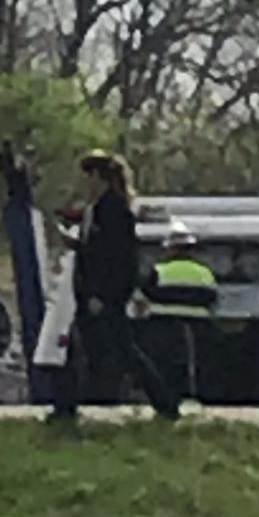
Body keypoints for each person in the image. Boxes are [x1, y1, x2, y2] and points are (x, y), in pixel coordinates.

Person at [47, 151, 179, 426]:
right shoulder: (96, 209)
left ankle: (164, 402)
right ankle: (65, 406)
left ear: (99, 177)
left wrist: (102, 295)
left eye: (89, 177)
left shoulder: (114, 211)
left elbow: (116, 257)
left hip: (103, 296)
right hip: (90, 295)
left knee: (120, 351)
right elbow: (93, 249)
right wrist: (73, 243)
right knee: (85, 349)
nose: (86, 184)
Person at [143, 223, 219, 406]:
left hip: (163, 323)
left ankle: (167, 400)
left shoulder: (159, 271)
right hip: (198, 325)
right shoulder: (204, 272)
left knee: (164, 365)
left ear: (169, 249)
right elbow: (212, 297)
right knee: (195, 364)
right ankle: (192, 399)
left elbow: (147, 292)